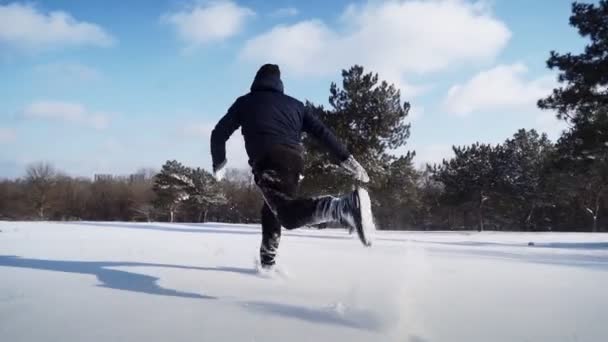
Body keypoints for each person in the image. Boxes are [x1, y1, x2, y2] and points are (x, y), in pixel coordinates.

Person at [210, 64, 374, 269]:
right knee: (273, 208)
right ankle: (268, 261)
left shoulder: (245, 102)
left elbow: (218, 133)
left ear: (256, 81)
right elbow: (323, 133)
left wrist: (219, 163)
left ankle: (341, 207)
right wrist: (346, 159)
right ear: (280, 83)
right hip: (295, 162)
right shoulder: (295, 105)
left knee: (287, 215)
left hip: (267, 159)